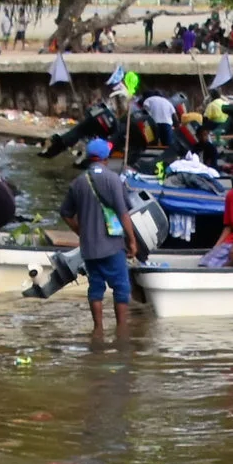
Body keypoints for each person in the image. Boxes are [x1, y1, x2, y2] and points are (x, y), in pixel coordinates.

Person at [62, 138, 144, 337]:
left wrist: (81, 232)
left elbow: (65, 213)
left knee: (96, 287)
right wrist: (132, 240)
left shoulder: (77, 183)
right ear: (106, 159)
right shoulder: (113, 180)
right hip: (112, 245)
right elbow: (123, 214)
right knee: (121, 287)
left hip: (90, 248)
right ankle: (121, 329)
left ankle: (98, 329)